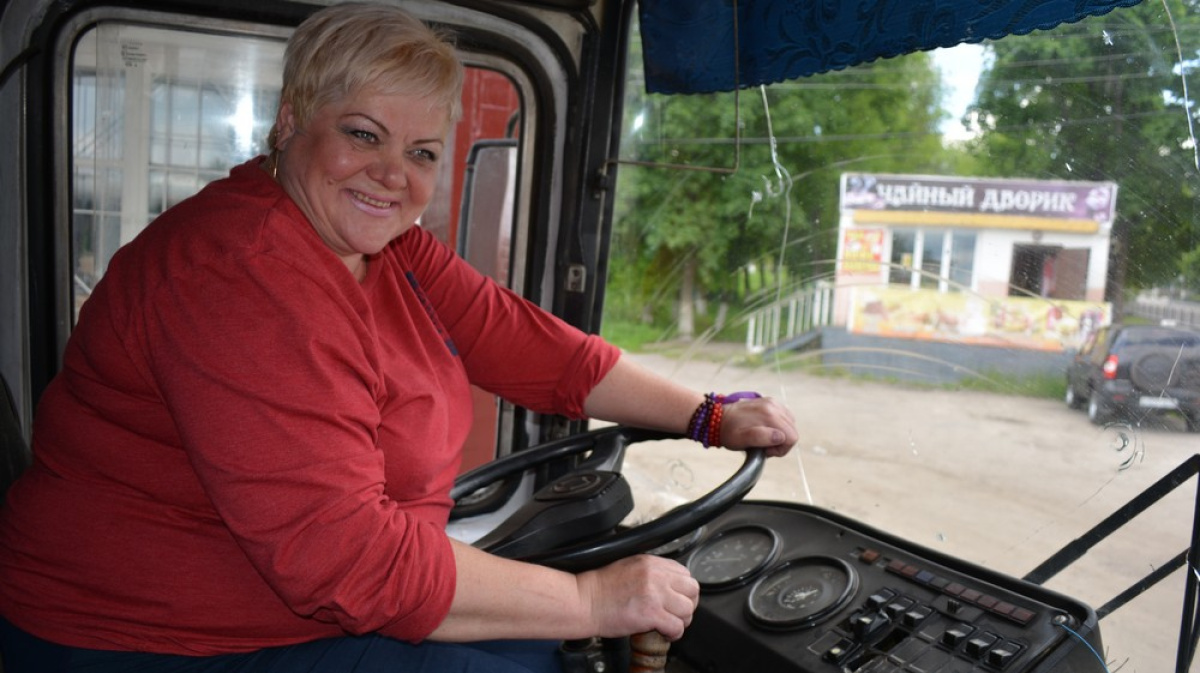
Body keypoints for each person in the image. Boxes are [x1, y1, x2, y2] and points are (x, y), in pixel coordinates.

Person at [0, 3, 798, 671]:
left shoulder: (385, 250)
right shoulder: (237, 272)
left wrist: (707, 414)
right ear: (288, 123)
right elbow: (347, 560)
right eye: (363, 133)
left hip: (313, 605)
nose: (393, 174)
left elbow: (530, 347)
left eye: (421, 152)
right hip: (145, 638)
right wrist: (594, 597)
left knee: (539, 650)